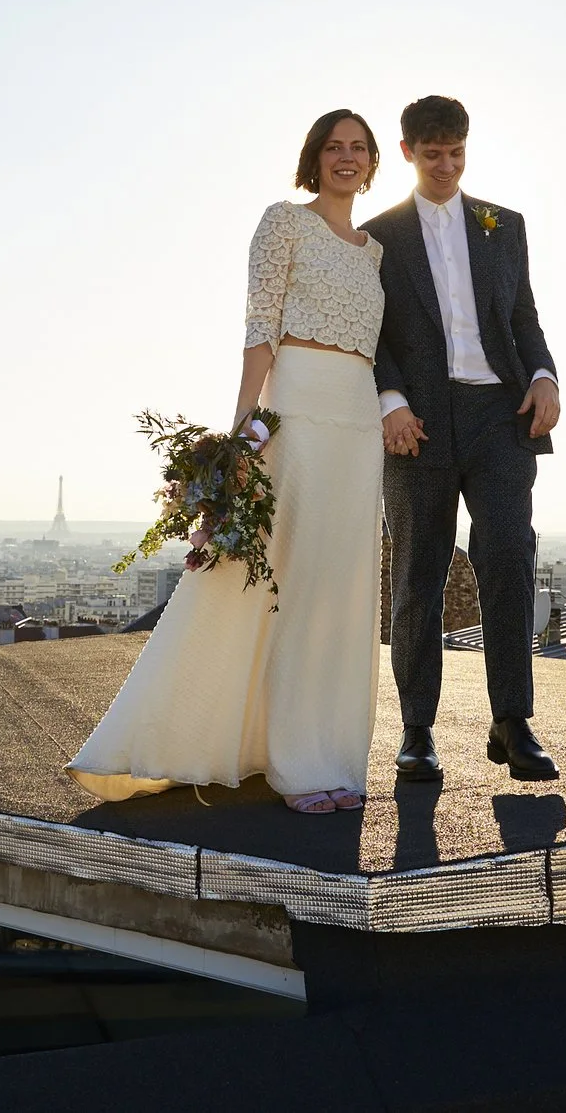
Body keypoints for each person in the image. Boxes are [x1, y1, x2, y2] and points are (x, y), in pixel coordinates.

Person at [67, 110, 387, 815]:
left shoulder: (374, 253)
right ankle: (297, 764)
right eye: (334, 146)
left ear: (371, 163)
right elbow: (259, 328)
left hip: (358, 424)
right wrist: (244, 428)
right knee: (289, 583)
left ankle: (332, 754)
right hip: (297, 413)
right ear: (315, 157)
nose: (346, 156)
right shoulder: (282, 223)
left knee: (342, 591)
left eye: (358, 147)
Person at [363, 95, 561, 783]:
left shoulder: (503, 224)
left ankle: (512, 722)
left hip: (500, 416)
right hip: (419, 420)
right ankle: (417, 732)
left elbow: (525, 317)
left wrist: (544, 376)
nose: (447, 165)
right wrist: (390, 402)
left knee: (509, 554)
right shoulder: (376, 235)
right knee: (418, 569)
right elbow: (373, 335)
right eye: (434, 153)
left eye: (458, 152)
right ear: (410, 151)